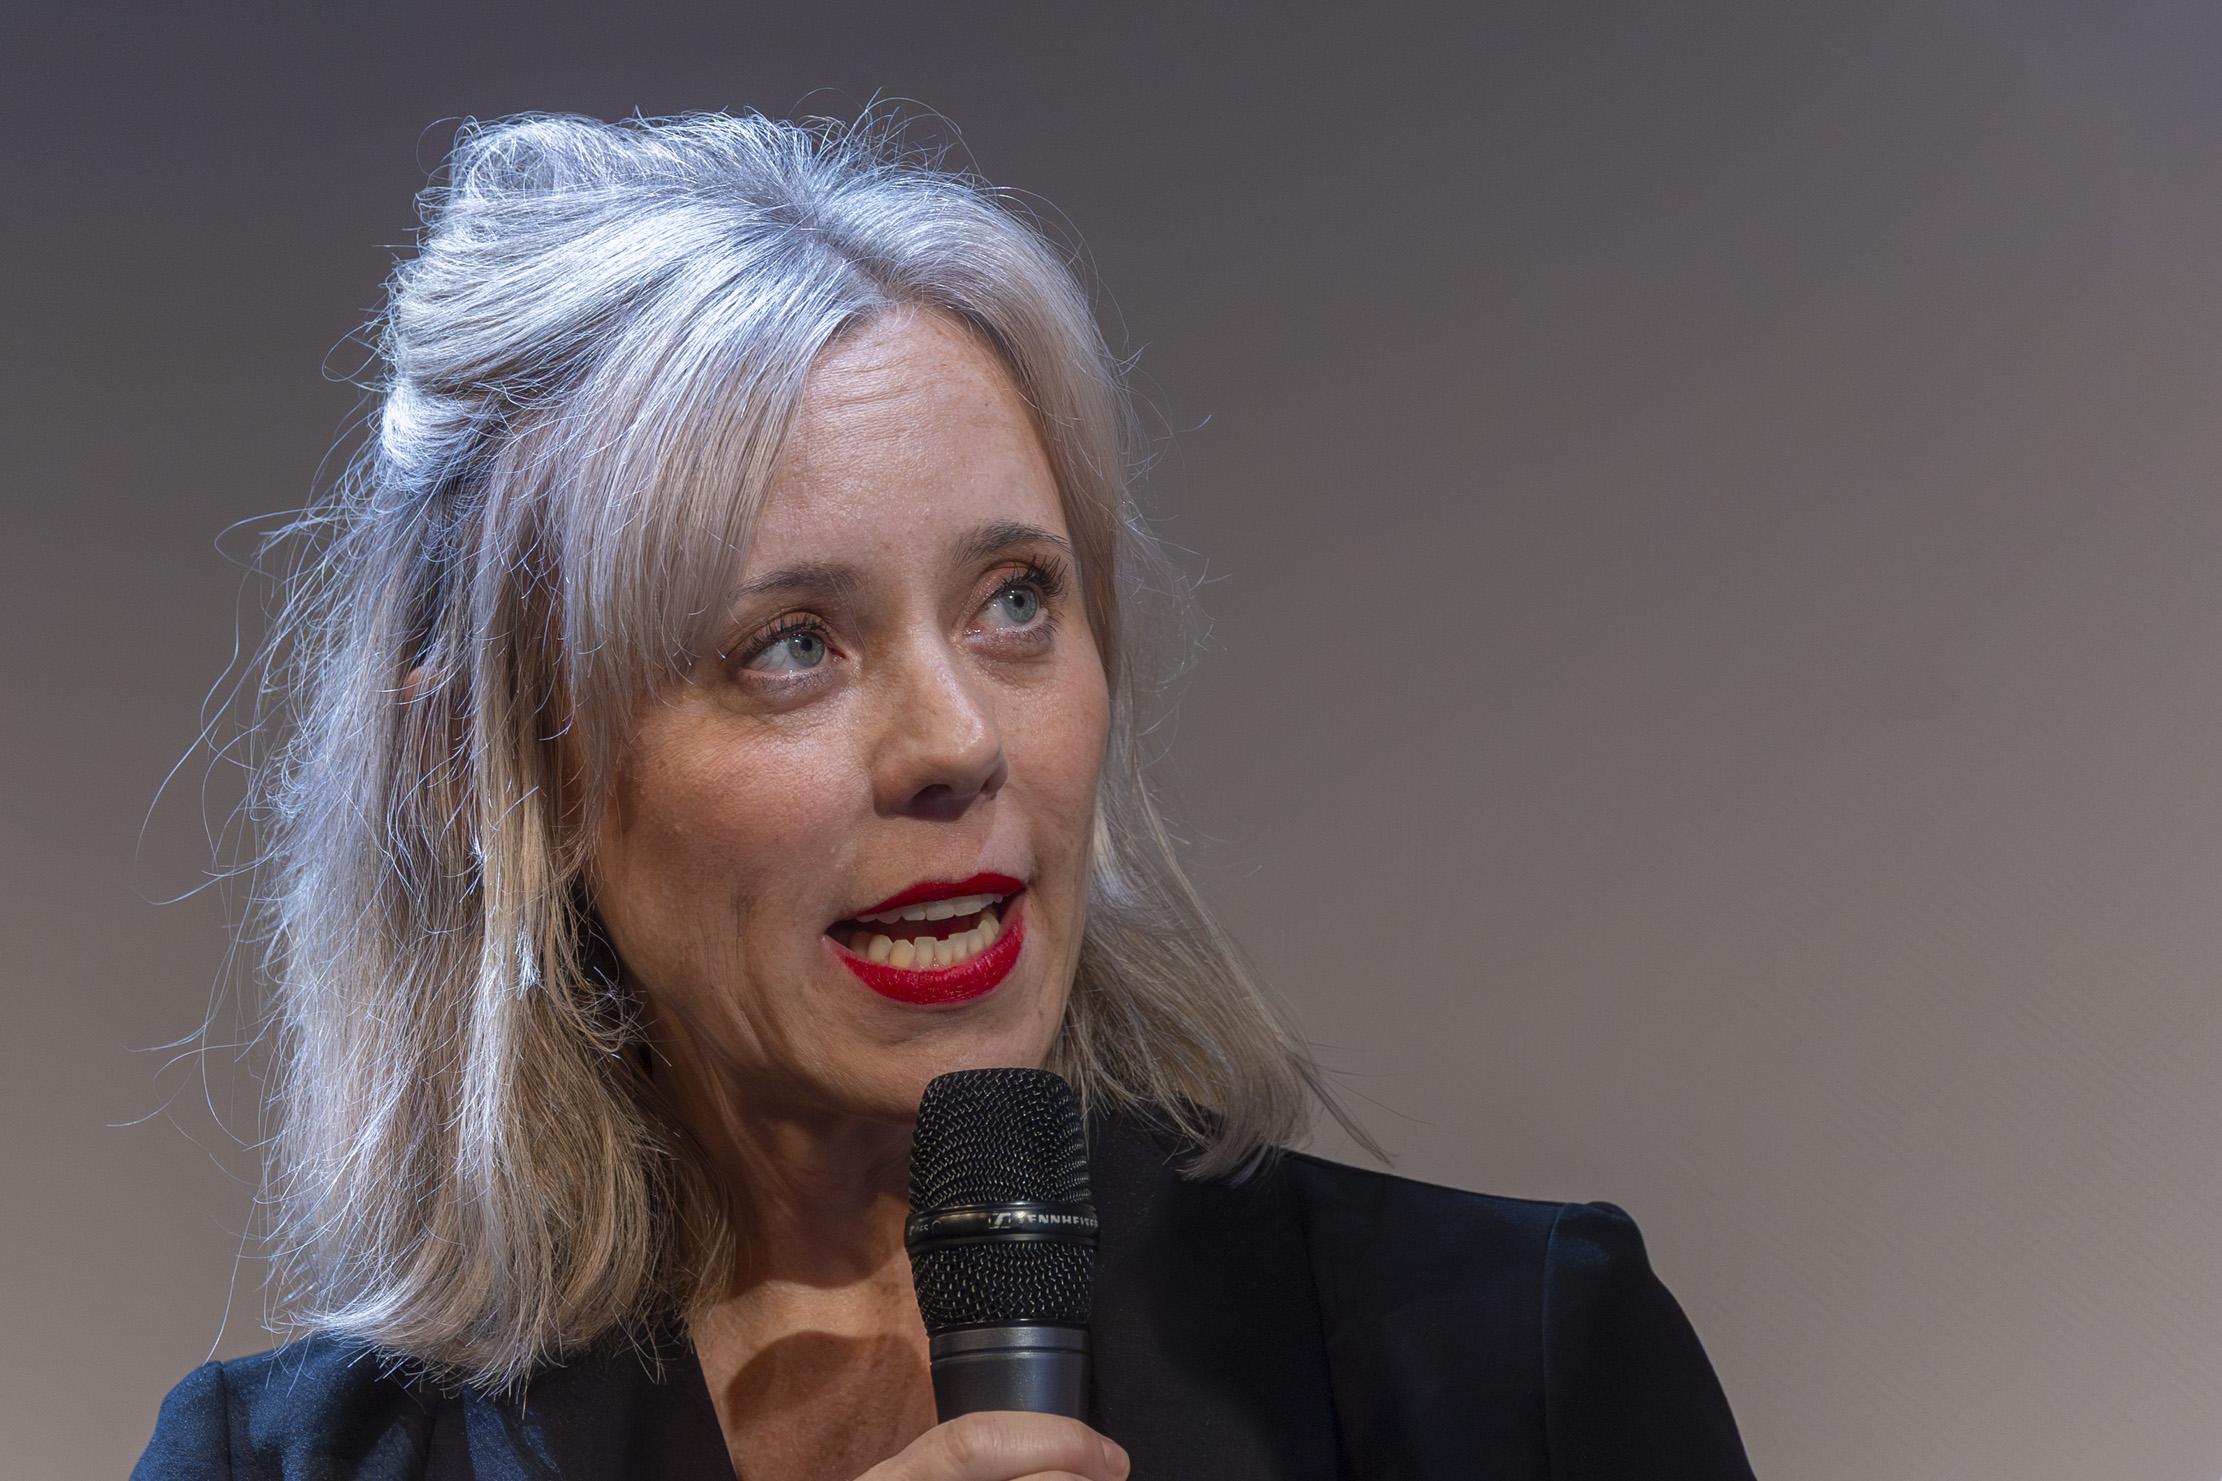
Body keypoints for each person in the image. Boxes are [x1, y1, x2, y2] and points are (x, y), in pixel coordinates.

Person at [133, 112, 1754, 1480]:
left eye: (1013, 601)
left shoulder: (1514, 1368)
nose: (957, 740)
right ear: (489, 770)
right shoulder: (273, 1465)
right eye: (790, 644)